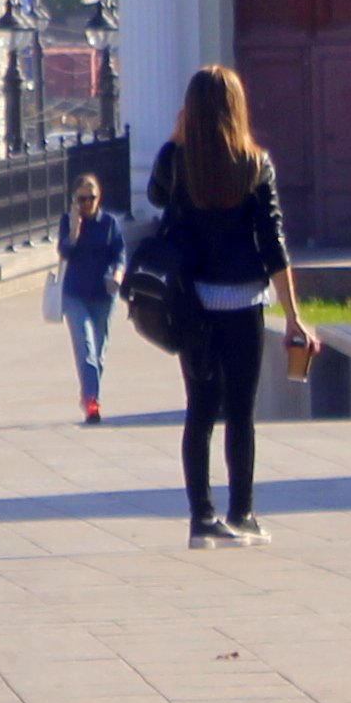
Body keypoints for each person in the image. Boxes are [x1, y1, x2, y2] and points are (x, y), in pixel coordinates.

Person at [144, 68, 310, 547]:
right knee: (241, 411)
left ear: (190, 111)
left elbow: (155, 198)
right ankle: (243, 514)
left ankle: (201, 518)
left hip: (192, 305)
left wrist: (173, 141)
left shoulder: (178, 162)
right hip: (242, 304)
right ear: (237, 107)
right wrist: (293, 314)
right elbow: (273, 241)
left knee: (199, 411)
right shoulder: (254, 163)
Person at [55, 170, 129, 425]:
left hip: (104, 295)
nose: (87, 203)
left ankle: (89, 394)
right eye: (81, 199)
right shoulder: (68, 221)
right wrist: (74, 230)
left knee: (98, 353)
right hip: (75, 295)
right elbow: (64, 252)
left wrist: (118, 274)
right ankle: (91, 402)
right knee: (85, 349)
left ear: (99, 197)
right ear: (75, 200)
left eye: (91, 198)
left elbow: (119, 254)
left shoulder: (110, 223)